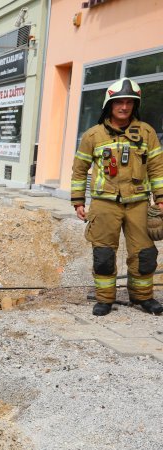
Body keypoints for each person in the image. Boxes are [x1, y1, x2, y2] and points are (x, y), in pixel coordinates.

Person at [71, 78, 163, 316]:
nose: (124, 107)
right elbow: (79, 170)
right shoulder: (93, 136)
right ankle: (104, 299)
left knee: (144, 253)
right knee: (103, 254)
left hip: (139, 203)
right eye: (118, 102)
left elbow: (157, 167)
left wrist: (160, 196)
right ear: (109, 105)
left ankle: (143, 297)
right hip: (104, 204)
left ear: (135, 105)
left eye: (129, 102)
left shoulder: (147, 133)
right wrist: (78, 201)